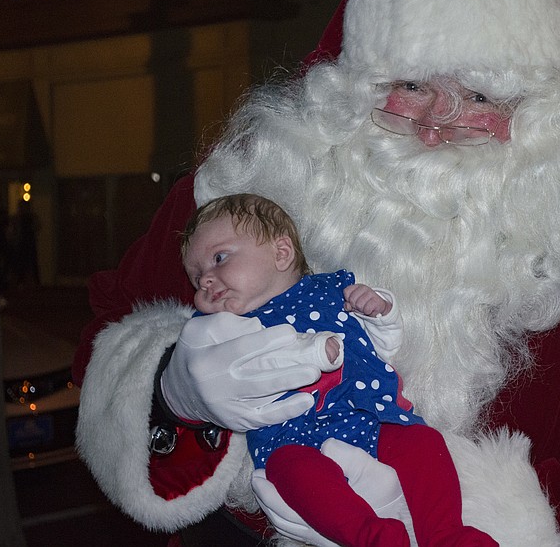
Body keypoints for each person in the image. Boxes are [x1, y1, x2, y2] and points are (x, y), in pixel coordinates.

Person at [74, 0, 560, 546]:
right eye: (411, 85)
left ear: (539, 118)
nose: (436, 125)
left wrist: (447, 515)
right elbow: (110, 330)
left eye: (479, 94)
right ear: (353, 89)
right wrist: (173, 394)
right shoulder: (242, 193)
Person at [177, 193, 497, 546]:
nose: (207, 279)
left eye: (219, 258)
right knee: (292, 474)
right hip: (292, 440)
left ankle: (445, 534)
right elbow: (209, 372)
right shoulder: (224, 327)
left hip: (368, 416)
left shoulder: (332, 289)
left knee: (424, 442)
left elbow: (381, 346)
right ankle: (372, 538)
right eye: (197, 277)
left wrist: (378, 310)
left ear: (281, 254)